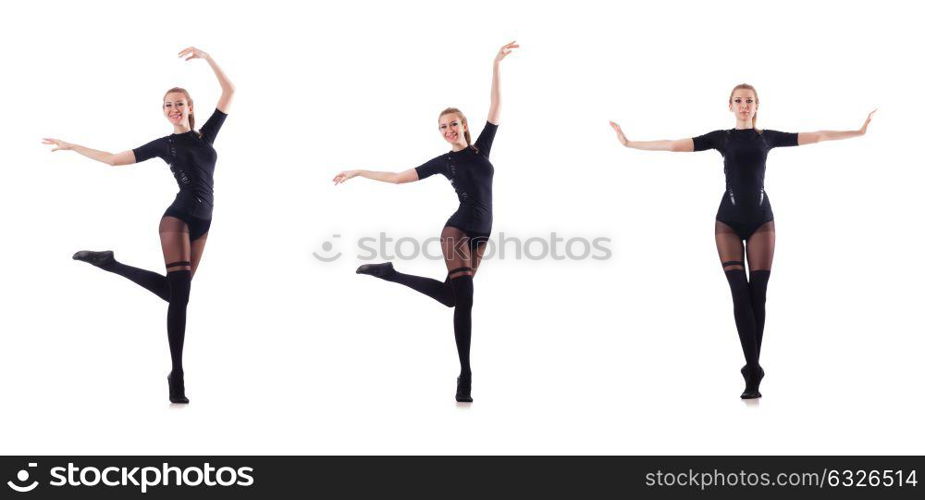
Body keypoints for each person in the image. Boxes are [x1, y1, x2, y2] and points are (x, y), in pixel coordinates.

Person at [609, 83, 874, 398]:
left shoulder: (768, 138)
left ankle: (752, 369)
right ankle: (753, 369)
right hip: (728, 223)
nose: (744, 105)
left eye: (749, 100)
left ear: (757, 105)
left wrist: (858, 132)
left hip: (762, 221)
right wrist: (628, 142)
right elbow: (671, 145)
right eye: (738, 100)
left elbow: (816, 136)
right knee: (739, 293)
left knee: (757, 295)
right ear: (730, 105)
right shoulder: (721, 138)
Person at [44, 47, 235, 404]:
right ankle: (176, 375)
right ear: (164, 112)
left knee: (176, 294)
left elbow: (229, 92)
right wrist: (74, 146)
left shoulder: (205, 136)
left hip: (205, 222)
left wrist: (208, 58)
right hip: (176, 219)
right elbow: (115, 160)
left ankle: (109, 263)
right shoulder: (165, 144)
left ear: (190, 107)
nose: (174, 109)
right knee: (180, 300)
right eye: (168, 106)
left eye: (179, 103)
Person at [333, 42, 519, 402]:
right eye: (442, 127)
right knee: (466, 299)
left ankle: (391, 273)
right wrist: (359, 171)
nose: (448, 130)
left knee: (453, 297)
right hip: (457, 230)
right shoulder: (443, 162)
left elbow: (496, 106)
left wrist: (495, 63)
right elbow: (398, 177)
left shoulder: (482, 147)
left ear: (464, 125)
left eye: (453, 124)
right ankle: (465, 375)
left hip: (483, 234)